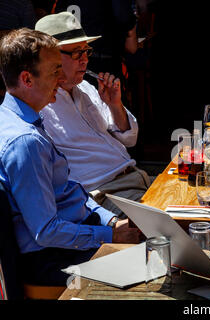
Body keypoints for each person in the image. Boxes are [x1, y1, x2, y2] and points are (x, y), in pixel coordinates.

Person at [0, 28, 141, 286]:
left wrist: (110, 222)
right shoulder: (25, 141)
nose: (60, 78)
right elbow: (46, 231)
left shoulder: (21, 118)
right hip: (54, 259)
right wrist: (109, 234)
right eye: (55, 71)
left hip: (69, 240)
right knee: (155, 264)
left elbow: (69, 191)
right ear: (27, 79)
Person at [35, 12, 150, 217]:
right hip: (103, 195)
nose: (85, 60)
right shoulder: (40, 104)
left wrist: (115, 104)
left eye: (86, 51)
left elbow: (130, 138)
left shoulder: (86, 88)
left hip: (135, 179)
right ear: (50, 57)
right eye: (77, 53)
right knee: (176, 230)